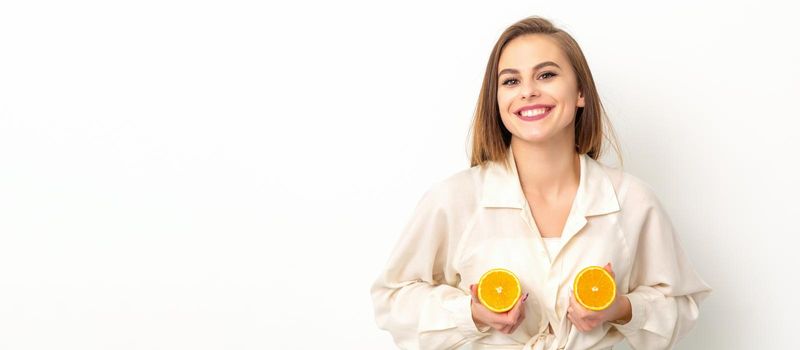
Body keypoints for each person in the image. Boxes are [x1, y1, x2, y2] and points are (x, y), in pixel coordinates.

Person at [370, 16, 712, 350]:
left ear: (580, 92)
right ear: (497, 101)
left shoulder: (634, 200)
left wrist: (621, 309)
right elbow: (392, 298)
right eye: (511, 81)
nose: (529, 91)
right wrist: (470, 314)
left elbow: (681, 306)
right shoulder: (453, 199)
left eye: (546, 75)